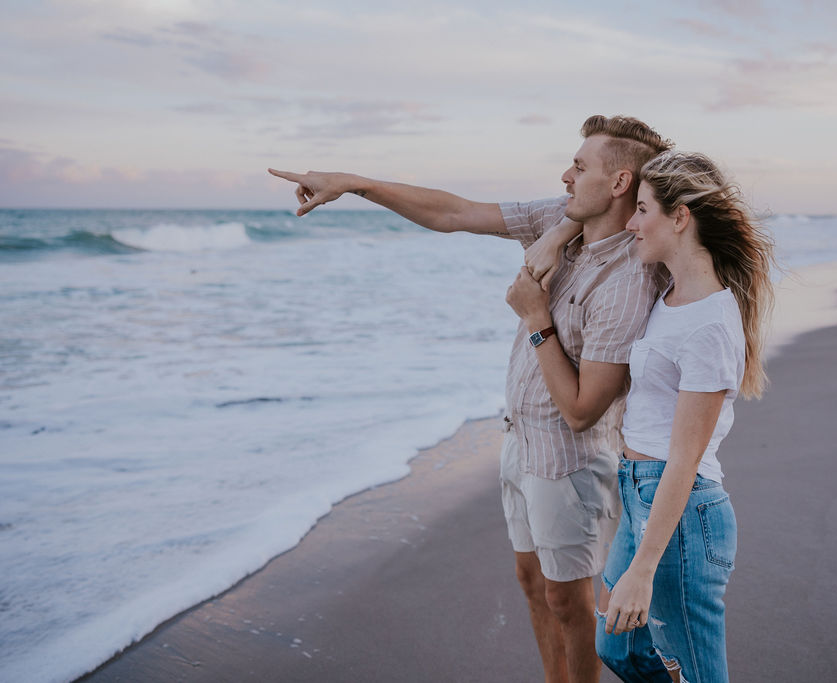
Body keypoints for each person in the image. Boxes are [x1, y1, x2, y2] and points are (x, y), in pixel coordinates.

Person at [267, 115, 674, 683]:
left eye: (579, 167)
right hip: (520, 437)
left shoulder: (629, 279)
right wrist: (356, 183)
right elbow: (455, 213)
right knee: (533, 585)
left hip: (571, 461)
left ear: (620, 183)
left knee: (572, 604)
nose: (565, 175)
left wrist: (536, 319)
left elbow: (584, 410)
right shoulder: (562, 220)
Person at [518, 150, 775, 682]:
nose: (631, 223)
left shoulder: (709, 325)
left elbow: (685, 458)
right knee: (621, 650)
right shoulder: (673, 296)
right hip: (639, 491)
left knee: (699, 674)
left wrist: (643, 567)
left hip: (679, 511)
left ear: (680, 217)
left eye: (642, 209)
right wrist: (559, 233)